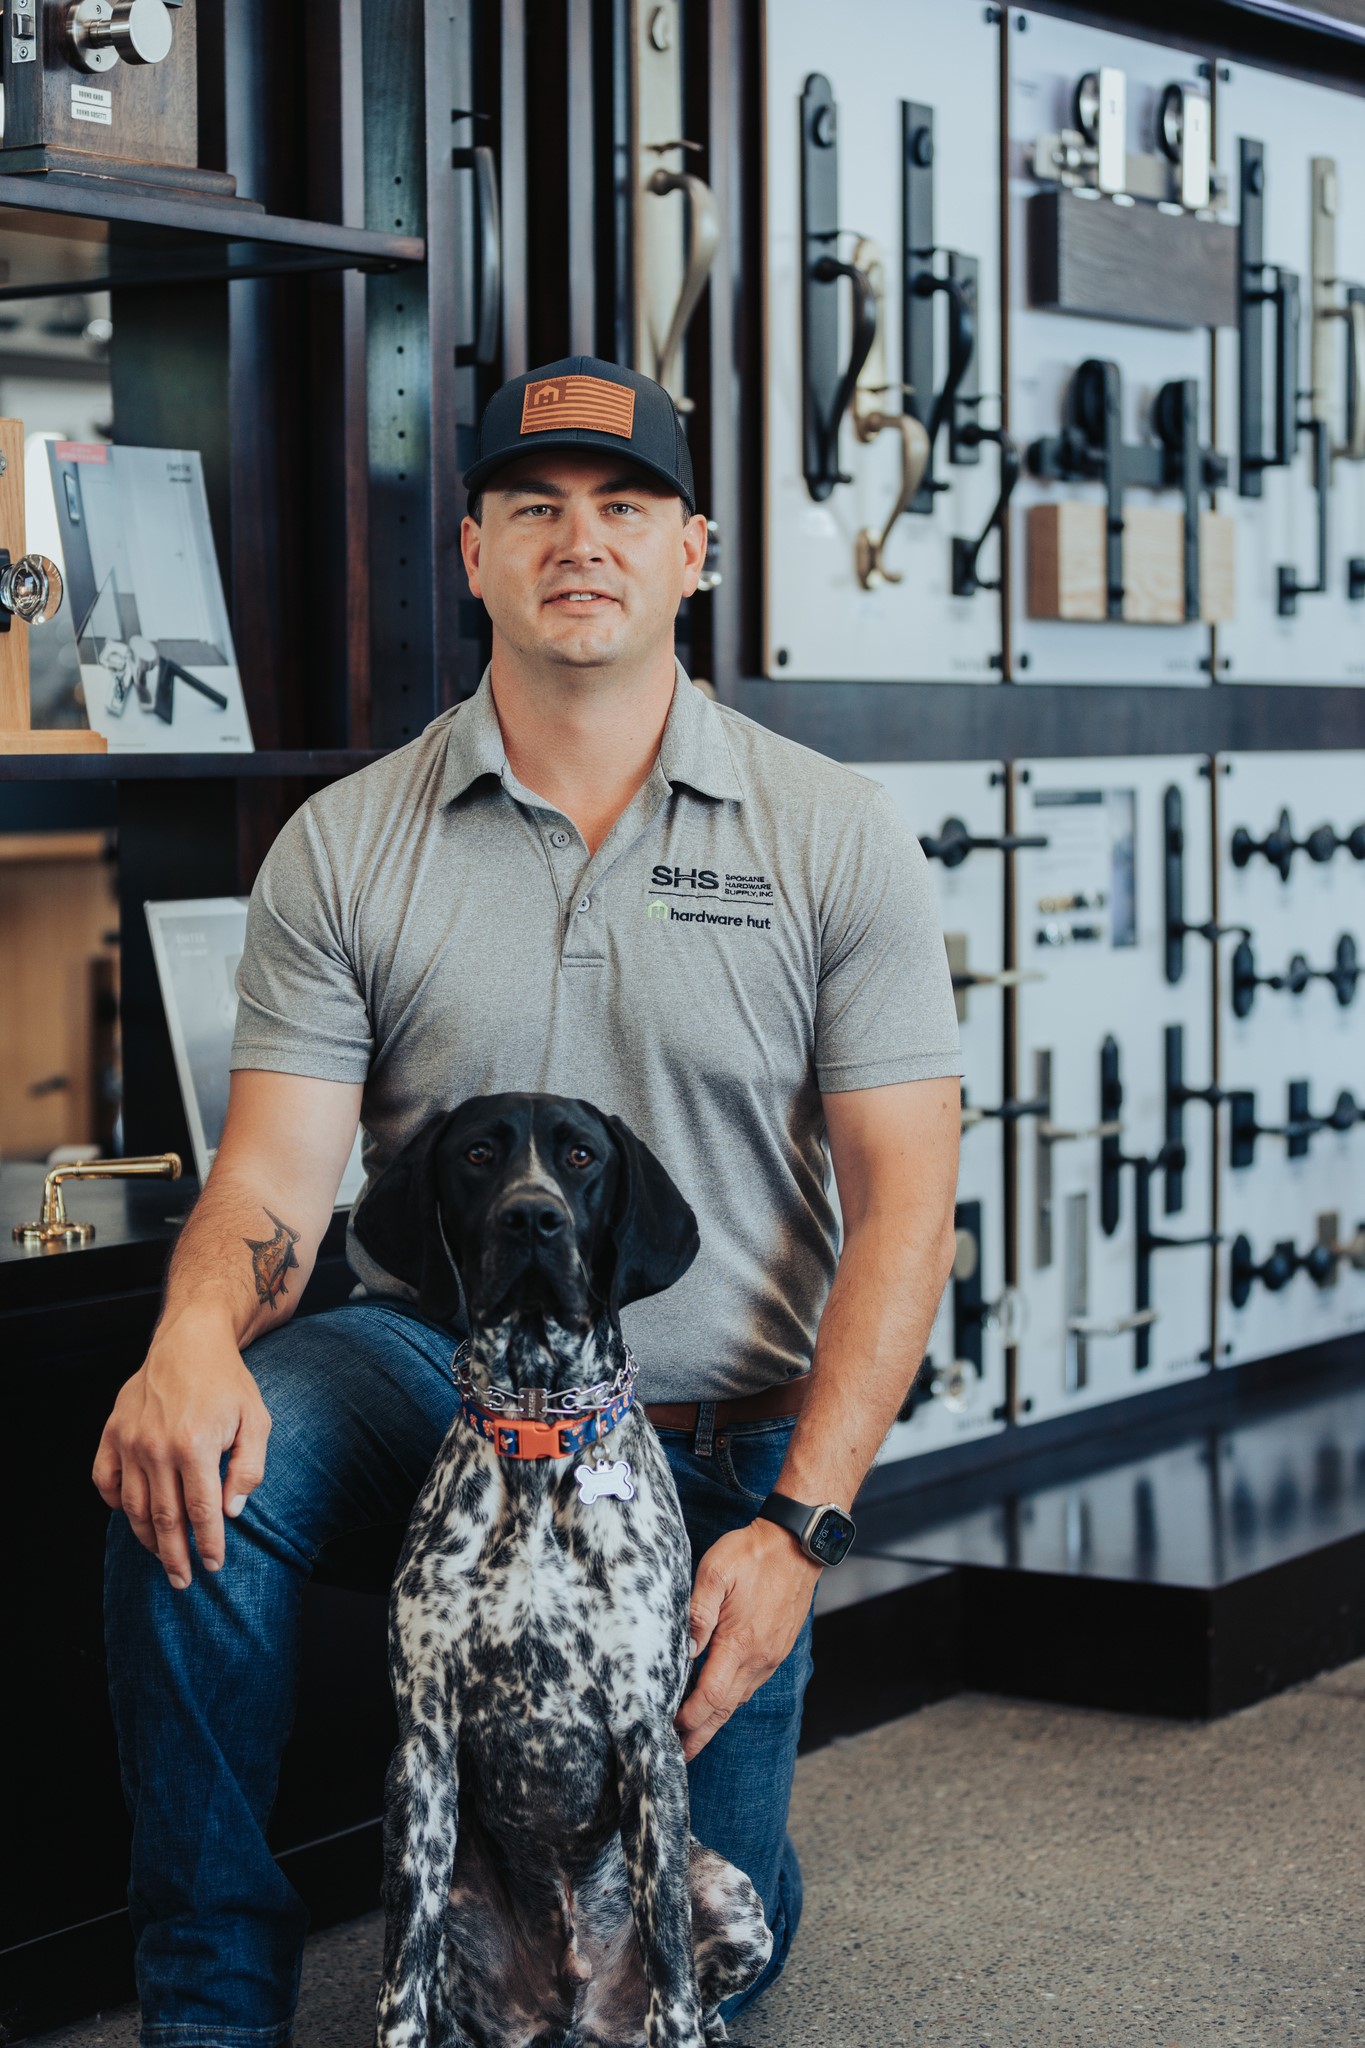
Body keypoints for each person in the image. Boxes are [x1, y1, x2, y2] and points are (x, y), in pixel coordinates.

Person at [93, 356, 962, 2045]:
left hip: (713, 1438)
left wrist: (798, 1529)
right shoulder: (349, 844)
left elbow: (905, 1216)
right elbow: (276, 1172)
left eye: (625, 507)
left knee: (712, 1938)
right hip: (436, 1380)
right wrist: (191, 1334)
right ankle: (207, 1998)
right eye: (535, 509)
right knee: (190, 1451)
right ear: (474, 554)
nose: (583, 542)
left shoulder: (832, 836)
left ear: (692, 551)